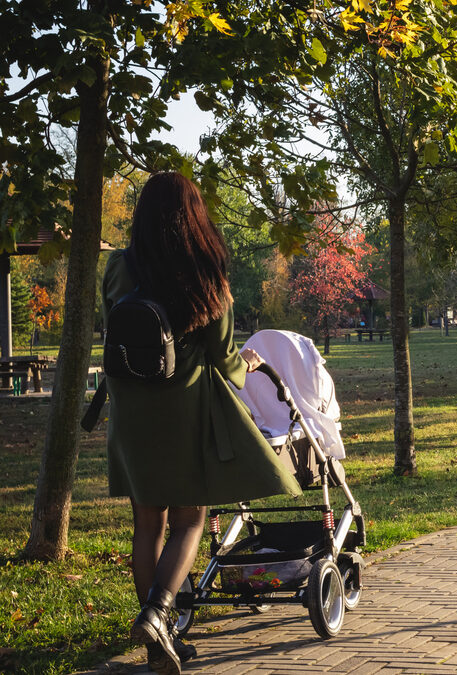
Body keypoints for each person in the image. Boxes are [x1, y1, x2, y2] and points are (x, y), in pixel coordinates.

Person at [102, 172, 301, 675]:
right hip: (183, 407)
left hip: (131, 410)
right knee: (190, 519)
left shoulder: (118, 268)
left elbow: (115, 326)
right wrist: (251, 363)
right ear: (193, 217)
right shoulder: (205, 273)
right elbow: (225, 361)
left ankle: (158, 643)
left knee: (148, 523)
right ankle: (157, 613)